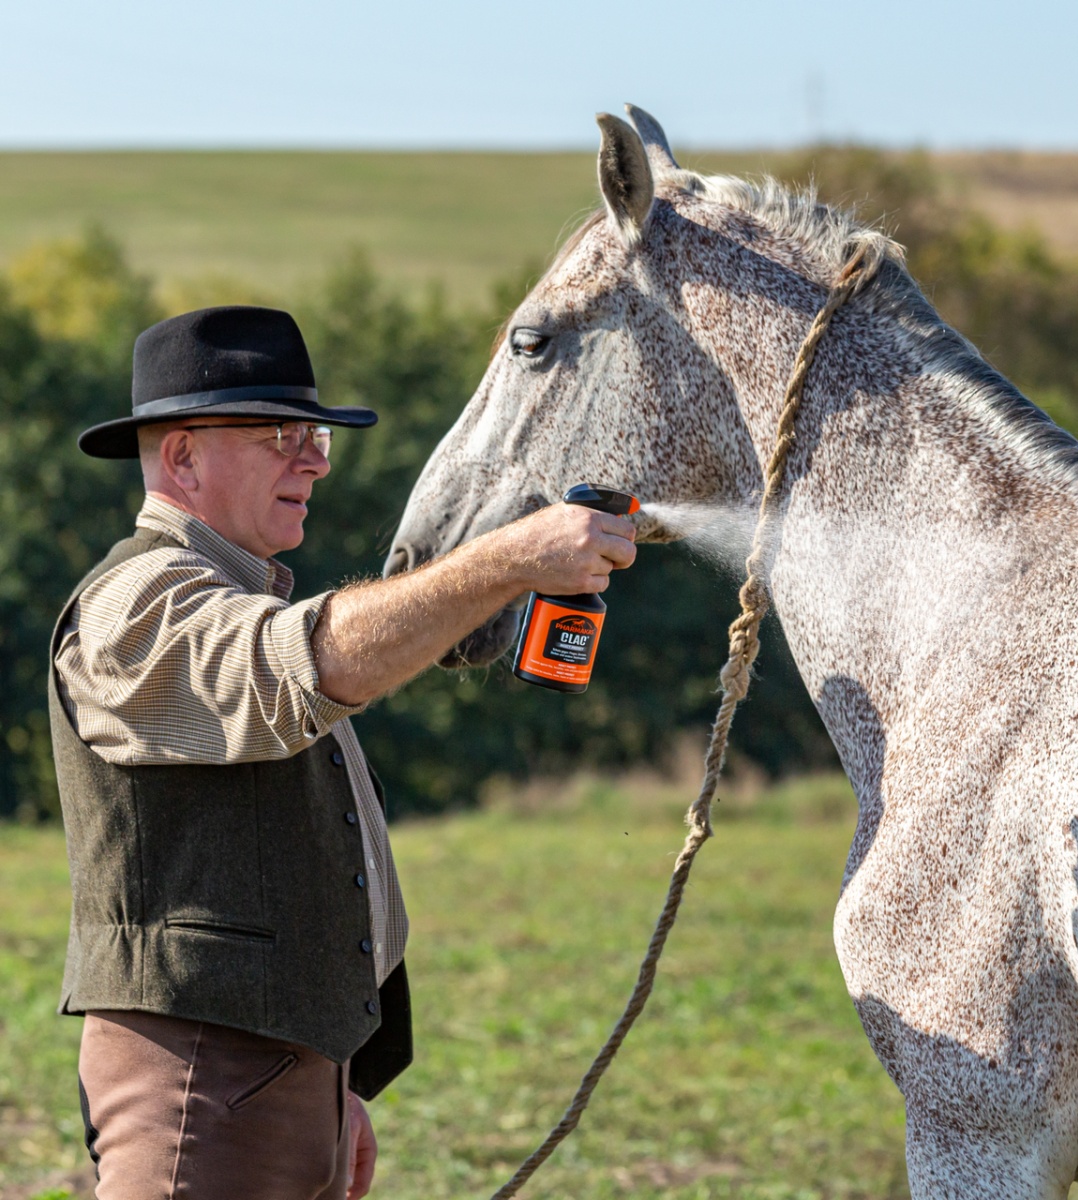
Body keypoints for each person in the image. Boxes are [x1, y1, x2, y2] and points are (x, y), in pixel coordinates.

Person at [49, 305, 637, 1200]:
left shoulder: (232, 595)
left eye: (315, 432)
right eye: (281, 432)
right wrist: (508, 558)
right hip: (199, 1085)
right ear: (181, 457)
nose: (316, 458)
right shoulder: (135, 600)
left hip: (272, 1084)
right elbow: (299, 665)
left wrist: (331, 1086)